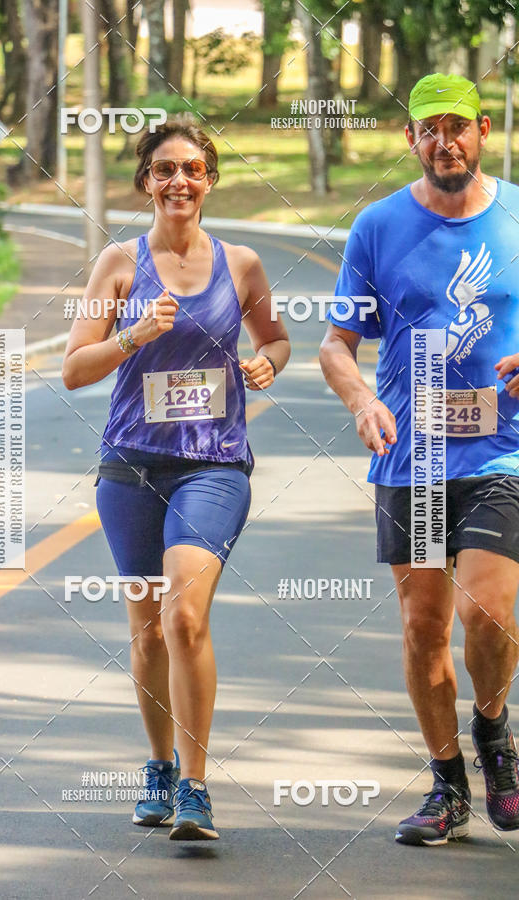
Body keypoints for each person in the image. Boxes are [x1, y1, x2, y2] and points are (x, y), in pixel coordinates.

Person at [62, 114, 290, 840]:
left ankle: (195, 785)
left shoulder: (242, 264)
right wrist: (133, 334)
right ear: (147, 183)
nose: (179, 181)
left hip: (214, 464)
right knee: (147, 633)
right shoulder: (118, 265)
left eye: (191, 169)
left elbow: (277, 339)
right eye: (164, 170)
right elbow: (73, 368)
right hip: (129, 466)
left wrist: (266, 364)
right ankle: (158, 766)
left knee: (183, 616)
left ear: (210, 179)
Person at [320, 73, 519, 846]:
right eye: (429, 129)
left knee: (489, 615)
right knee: (422, 630)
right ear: (411, 139)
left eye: (457, 126)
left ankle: (495, 730)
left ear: (483, 129)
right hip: (413, 461)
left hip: (502, 450)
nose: (445, 141)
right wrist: (362, 401)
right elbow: (337, 343)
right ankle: (448, 786)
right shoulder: (377, 224)